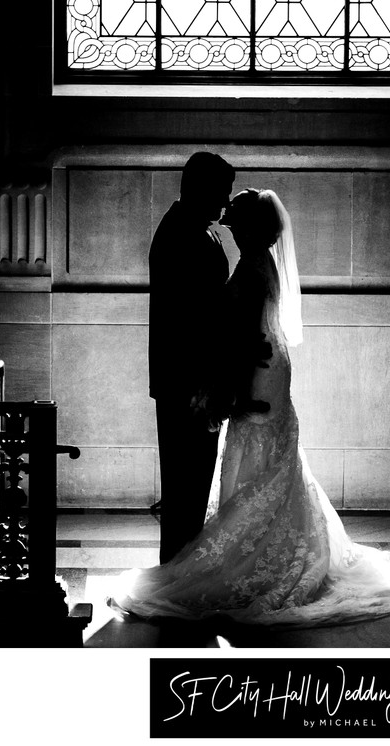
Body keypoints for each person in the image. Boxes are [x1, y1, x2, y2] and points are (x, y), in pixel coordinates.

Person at [110, 189, 390, 627]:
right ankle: (269, 543)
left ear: (249, 227)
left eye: (235, 218)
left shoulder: (252, 267)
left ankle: (260, 555)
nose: (228, 221)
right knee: (269, 458)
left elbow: (240, 333)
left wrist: (227, 391)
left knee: (258, 453)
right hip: (268, 362)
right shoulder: (261, 262)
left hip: (258, 367)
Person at [148, 151, 235, 564]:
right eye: (222, 192)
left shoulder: (197, 228)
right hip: (188, 381)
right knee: (186, 485)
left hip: (191, 379)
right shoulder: (180, 235)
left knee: (193, 485)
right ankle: (177, 574)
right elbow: (190, 320)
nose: (226, 202)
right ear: (200, 189)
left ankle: (182, 569)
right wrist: (207, 384)